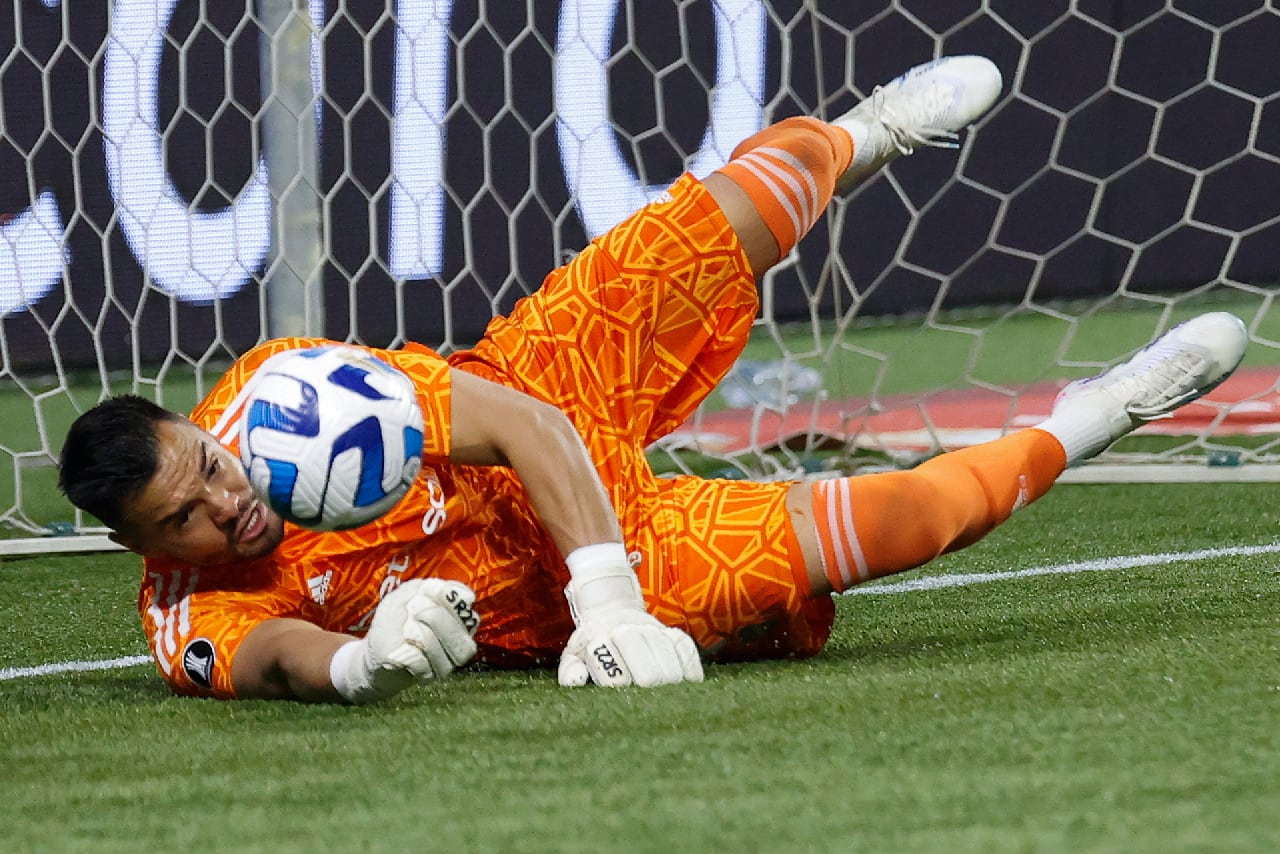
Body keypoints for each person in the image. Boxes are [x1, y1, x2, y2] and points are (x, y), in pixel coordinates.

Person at [58, 56, 1248, 703]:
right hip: (530, 585)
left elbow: (519, 421)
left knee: (713, 221)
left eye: (207, 467)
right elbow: (270, 659)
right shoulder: (190, 615)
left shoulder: (282, 384)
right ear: (143, 546)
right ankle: (1114, 406)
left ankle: (860, 135)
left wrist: (610, 601)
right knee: (902, 519)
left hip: (535, 398)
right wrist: (363, 658)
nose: (227, 501)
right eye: (188, 518)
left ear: (197, 424)